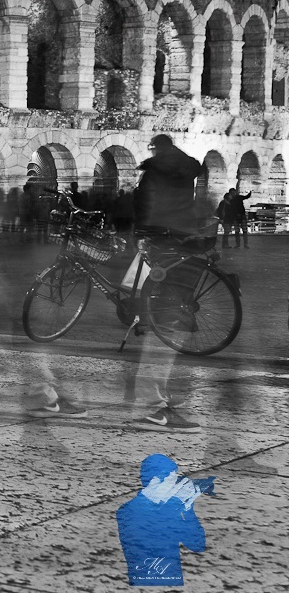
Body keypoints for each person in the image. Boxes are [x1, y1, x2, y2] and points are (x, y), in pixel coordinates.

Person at [129, 133, 203, 432]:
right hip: (185, 238)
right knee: (171, 314)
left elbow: (142, 204)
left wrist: (140, 231)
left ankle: (152, 405)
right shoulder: (188, 168)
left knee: (161, 314)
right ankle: (154, 401)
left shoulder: (153, 171)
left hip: (160, 237)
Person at [116, 454, 209, 586]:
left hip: (170, 584)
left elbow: (197, 545)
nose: (174, 488)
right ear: (155, 481)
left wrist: (188, 510)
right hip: (146, 582)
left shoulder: (167, 508)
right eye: (172, 482)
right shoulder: (127, 511)